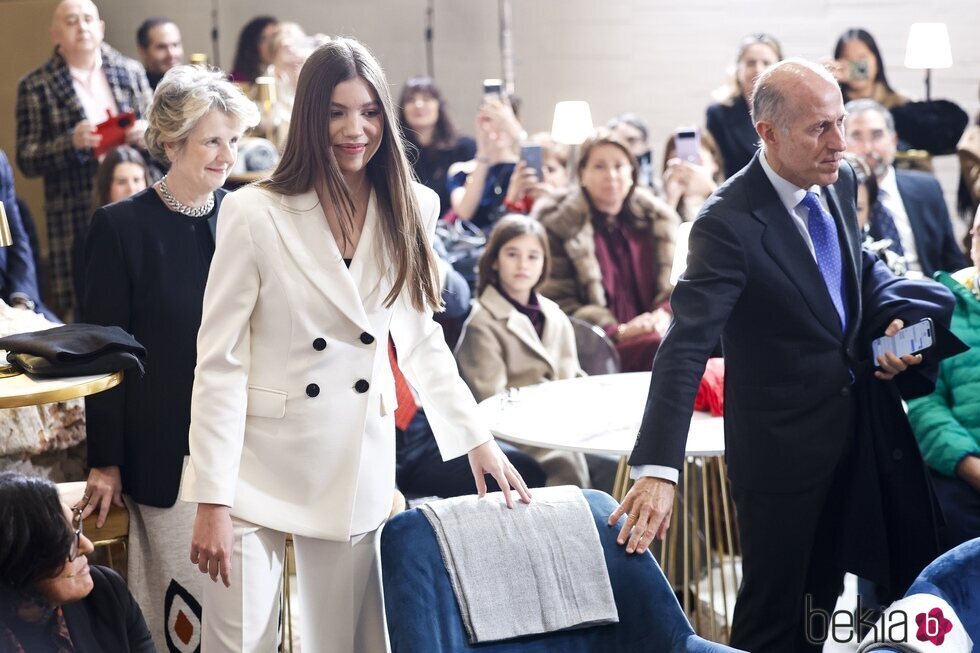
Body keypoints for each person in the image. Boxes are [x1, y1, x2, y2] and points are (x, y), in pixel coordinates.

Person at [180, 38, 531, 652]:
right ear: (310, 117)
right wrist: (211, 495)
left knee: (345, 642)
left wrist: (476, 440)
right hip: (252, 468)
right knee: (237, 644)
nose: (354, 129)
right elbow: (218, 365)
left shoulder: (412, 207)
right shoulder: (253, 213)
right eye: (336, 112)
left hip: (353, 458)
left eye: (368, 111)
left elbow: (422, 341)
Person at [612, 59, 958, 652]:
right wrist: (657, 470)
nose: (840, 143)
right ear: (767, 133)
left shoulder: (840, 179)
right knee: (776, 621)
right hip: (781, 463)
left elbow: (855, 271)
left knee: (826, 611)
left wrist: (890, 320)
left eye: (841, 122)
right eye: (819, 128)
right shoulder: (725, 223)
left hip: (857, 434)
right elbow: (684, 347)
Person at [79, 65, 259, 652]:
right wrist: (105, 461)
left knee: (247, 616)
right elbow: (105, 357)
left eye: (233, 140)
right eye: (211, 140)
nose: (226, 155)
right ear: (170, 142)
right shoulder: (120, 228)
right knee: (184, 619)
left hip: (248, 450)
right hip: (166, 456)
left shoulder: (247, 218)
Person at [16, 0, 152, 317]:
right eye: (72, 21)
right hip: (75, 209)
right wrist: (70, 142)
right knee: (88, 300)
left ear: (101, 28)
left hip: (136, 196)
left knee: (145, 287)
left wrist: (147, 134)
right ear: (55, 34)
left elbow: (161, 137)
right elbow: (26, 158)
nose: (82, 27)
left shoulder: (129, 71)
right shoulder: (36, 86)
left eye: (88, 19)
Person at [456, 214, 590, 487]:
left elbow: (575, 378)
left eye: (533, 256)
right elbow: (491, 403)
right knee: (567, 467)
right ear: (494, 260)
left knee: (622, 464)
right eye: (512, 254)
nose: (522, 265)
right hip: (522, 437)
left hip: (569, 427)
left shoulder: (554, 314)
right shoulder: (482, 322)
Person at [534, 129, 680, 373]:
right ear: (582, 174)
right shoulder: (559, 225)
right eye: (599, 166)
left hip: (657, 330)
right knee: (658, 348)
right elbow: (558, 302)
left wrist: (663, 315)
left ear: (632, 173)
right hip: (595, 343)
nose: (611, 175)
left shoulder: (657, 220)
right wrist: (619, 331)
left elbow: (682, 285)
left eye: (619, 166)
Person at [0, 472, 154, 652]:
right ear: (20, 561)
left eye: (75, 529)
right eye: (65, 540)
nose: (88, 546)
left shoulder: (106, 593)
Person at [908, 206, 980, 552]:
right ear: (972, 242)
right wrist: (970, 467)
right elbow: (925, 402)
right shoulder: (940, 308)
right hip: (961, 472)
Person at [844, 99, 967, 277]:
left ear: (893, 141)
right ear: (842, 142)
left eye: (877, 135)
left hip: (932, 293)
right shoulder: (837, 197)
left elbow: (953, 263)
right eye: (856, 136)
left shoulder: (927, 188)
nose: (868, 148)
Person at [70, 145, 151, 320]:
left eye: (137, 180)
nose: (132, 188)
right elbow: (89, 303)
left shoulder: (158, 228)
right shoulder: (87, 236)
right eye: (122, 182)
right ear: (107, 187)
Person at [706, 32, 782, 179]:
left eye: (766, 63)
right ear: (738, 68)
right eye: (751, 63)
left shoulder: (791, 110)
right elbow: (717, 168)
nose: (758, 69)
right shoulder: (718, 114)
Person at [399, 76, 476, 216]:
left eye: (426, 99)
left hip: (458, 232)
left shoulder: (465, 148)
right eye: (411, 100)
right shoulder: (395, 152)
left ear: (439, 105)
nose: (419, 105)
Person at [448, 96, 524, 231]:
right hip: (473, 247)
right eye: (489, 119)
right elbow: (465, 213)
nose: (497, 126)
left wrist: (516, 134)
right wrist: (483, 151)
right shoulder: (462, 171)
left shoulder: (522, 168)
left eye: (502, 120)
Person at [0, 149, 45, 318]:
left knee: (77, 340)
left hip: (10, 301)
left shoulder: (0, 163)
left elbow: (16, 239)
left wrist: (21, 301)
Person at [830, 29, 907, 109]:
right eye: (847, 58)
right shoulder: (831, 106)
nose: (856, 64)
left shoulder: (900, 103)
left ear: (877, 61)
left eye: (862, 57)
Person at [661, 128, 724, 221]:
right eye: (678, 160)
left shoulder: (732, 197)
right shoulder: (655, 206)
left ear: (714, 163)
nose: (687, 167)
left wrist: (710, 190)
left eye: (694, 159)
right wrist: (670, 201)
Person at [607, 113, 658, 190]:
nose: (624, 147)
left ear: (645, 145)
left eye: (631, 140)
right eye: (617, 143)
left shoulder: (660, 191)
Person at [136, 17, 183, 90]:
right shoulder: (136, 91)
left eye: (175, 45)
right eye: (162, 47)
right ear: (143, 51)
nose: (171, 54)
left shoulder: (193, 89)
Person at [230, 15, 278, 84]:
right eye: (263, 39)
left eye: (274, 37)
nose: (271, 43)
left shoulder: (288, 73)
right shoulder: (238, 79)